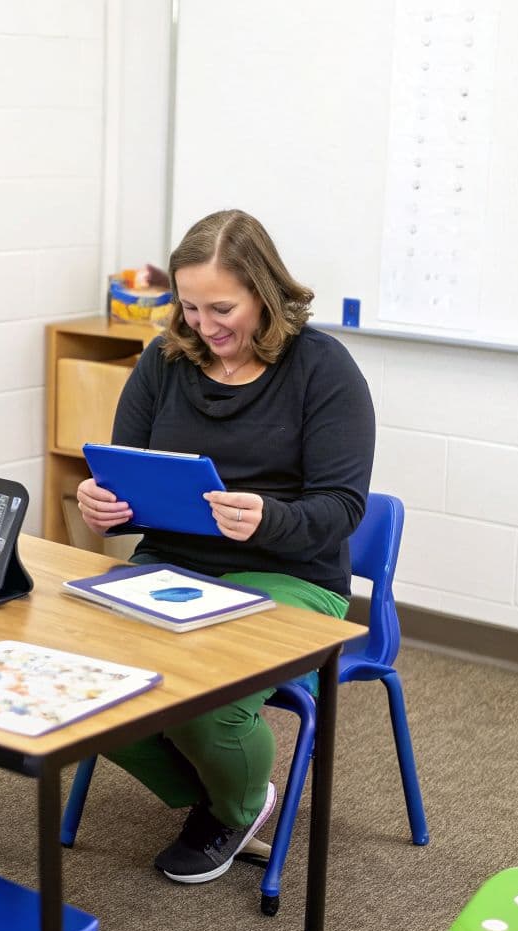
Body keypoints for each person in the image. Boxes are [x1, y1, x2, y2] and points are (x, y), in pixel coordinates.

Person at [75, 209, 374, 884]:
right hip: (175, 562)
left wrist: (267, 519)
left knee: (205, 688)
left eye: (222, 308)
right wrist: (106, 507)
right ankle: (212, 783)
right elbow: (127, 478)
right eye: (188, 307)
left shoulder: (322, 369)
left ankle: (236, 805)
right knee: (85, 669)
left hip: (293, 574)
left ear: (265, 295)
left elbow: (342, 508)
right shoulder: (164, 360)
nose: (205, 326)